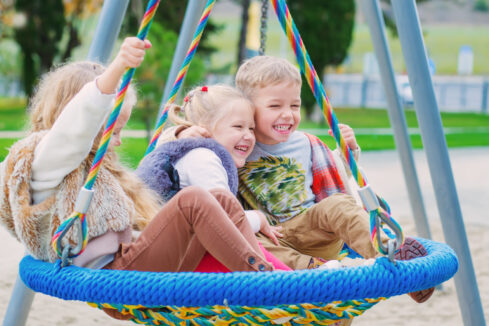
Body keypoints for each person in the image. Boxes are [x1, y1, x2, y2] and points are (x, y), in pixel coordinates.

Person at [0, 37, 276, 296]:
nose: (119, 142)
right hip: (114, 277)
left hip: (133, 263)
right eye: (114, 131)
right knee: (193, 200)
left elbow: (156, 162)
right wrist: (117, 68)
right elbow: (75, 129)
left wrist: (178, 136)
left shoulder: (96, 170)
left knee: (220, 200)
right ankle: (265, 284)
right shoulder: (47, 162)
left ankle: (275, 275)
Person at [233, 55, 434, 303]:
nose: (287, 115)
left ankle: (391, 252)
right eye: (275, 106)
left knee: (337, 204)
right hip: (274, 240)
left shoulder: (307, 144)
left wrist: (348, 152)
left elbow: (336, 175)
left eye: (294, 106)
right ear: (247, 108)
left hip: (312, 227)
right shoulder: (237, 145)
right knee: (243, 238)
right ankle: (317, 271)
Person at [136, 84, 290, 271]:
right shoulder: (202, 158)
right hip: (182, 263)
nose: (249, 136)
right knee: (245, 247)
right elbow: (224, 223)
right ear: (204, 131)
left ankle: (294, 279)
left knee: (255, 246)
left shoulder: (191, 152)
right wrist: (258, 219)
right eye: (238, 127)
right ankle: (293, 283)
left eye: (251, 128)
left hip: (181, 253)